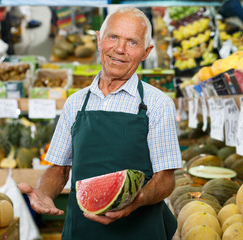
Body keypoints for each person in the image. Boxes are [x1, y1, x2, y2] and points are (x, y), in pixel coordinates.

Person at [18, 7, 182, 240]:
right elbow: (59, 168)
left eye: (132, 42)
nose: (119, 49)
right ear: (98, 40)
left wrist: (136, 201)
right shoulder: (75, 103)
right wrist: (45, 193)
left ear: (146, 52)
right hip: (82, 230)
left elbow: (165, 179)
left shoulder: (158, 105)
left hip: (140, 230)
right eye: (113, 37)